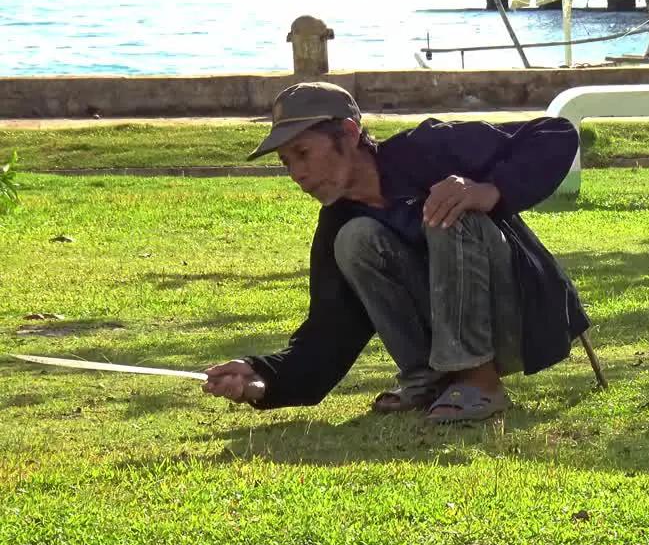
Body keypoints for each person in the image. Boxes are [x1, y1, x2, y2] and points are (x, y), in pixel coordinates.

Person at [200, 81, 590, 423]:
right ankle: (429, 379)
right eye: (287, 163)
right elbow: (325, 335)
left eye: (303, 153)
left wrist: (489, 191)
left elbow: (555, 135)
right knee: (355, 237)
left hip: (523, 322)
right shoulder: (340, 221)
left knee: (447, 206)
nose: (296, 174)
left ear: (350, 133)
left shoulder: (428, 148)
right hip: (443, 346)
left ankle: (478, 381)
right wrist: (259, 377)